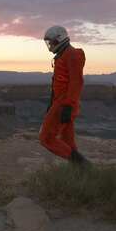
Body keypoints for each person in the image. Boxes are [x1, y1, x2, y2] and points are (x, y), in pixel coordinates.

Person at [39, 25, 91, 166]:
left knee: (46, 138)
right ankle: (79, 171)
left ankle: (81, 164)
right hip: (60, 103)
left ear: (60, 39)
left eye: (52, 42)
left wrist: (68, 106)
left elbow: (76, 82)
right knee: (67, 140)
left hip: (65, 103)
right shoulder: (62, 55)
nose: (50, 45)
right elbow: (58, 84)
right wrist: (51, 104)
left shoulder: (73, 54)